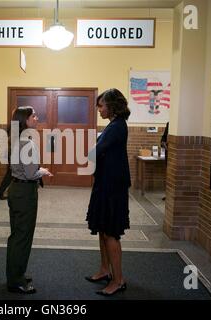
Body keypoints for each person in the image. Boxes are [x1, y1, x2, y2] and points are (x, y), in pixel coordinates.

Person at [85, 88, 131, 296]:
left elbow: (94, 152)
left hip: (113, 186)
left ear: (112, 106)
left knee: (111, 232)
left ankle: (118, 279)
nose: (99, 109)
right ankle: (105, 270)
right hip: (105, 183)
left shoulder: (117, 127)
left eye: (101, 106)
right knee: (103, 228)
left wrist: (92, 149)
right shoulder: (112, 126)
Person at [6, 106, 53, 294]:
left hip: (16, 189)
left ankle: (15, 274)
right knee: (22, 237)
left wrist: (37, 170)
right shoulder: (27, 142)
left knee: (16, 235)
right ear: (26, 120)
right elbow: (32, 172)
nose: (37, 117)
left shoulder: (16, 138)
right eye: (33, 116)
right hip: (25, 192)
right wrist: (44, 170)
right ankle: (16, 280)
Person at [160, 122, 169, 201]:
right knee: (168, 175)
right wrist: (163, 143)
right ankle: (168, 194)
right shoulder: (169, 124)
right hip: (168, 154)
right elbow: (163, 138)